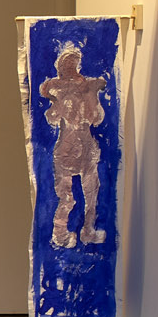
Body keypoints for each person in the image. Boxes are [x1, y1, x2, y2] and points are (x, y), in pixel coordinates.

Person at [40, 43, 109, 246]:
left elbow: (96, 118)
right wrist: (59, 100)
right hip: (68, 149)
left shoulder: (86, 91)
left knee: (90, 194)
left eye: (74, 64)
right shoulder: (63, 92)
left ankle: (87, 231)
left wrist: (90, 95)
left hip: (84, 148)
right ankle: (61, 235)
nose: (72, 68)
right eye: (69, 65)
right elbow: (52, 117)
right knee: (67, 197)